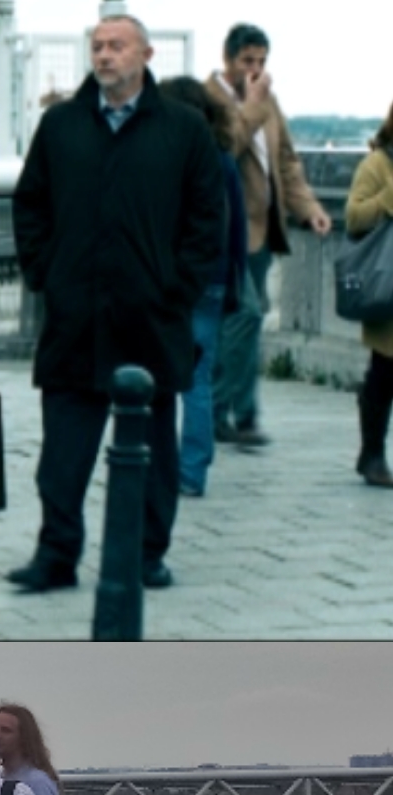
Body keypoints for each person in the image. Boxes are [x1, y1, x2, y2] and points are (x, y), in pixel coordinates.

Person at [10, 15, 225, 594]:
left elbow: (209, 218)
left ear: (146, 54)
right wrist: (44, 274)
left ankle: (144, 555)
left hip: (149, 321)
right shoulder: (60, 126)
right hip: (75, 318)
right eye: (97, 47)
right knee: (62, 456)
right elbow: (30, 204)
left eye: (116, 46)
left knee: (153, 453)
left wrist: (175, 291)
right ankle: (56, 556)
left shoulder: (182, 129)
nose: (104, 56)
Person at [205, 24, 334, 451]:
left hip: (261, 233)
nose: (256, 71)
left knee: (238, 324)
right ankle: (232, 414)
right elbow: (224, 149)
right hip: (222, 237)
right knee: (246, 314)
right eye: (247, 62)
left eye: (262, 62)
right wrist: (255, 108)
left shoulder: (269, 103)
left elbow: (287, 163)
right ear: (227, 60)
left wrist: (310, 209)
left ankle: (229, 413)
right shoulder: (210, 100)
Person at [158, 77, 250, 498]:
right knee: (197, 379)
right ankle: (193, 471)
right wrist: (232, 281)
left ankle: (162, 465)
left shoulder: (167, 157)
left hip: (170, 280)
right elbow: (238, 232)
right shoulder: (222, 158)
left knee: (158, 376)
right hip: (212, 280)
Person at [346, 105, 393, 488]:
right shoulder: (378, 164)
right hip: (387, 282)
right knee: (385, 371)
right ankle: (372, 453)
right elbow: (354, 217)